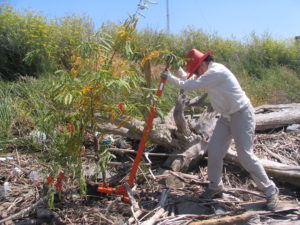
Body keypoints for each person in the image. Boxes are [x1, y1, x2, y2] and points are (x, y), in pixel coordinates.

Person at [161, 48, 279, 210]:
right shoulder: (207, 73)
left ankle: (270, 190)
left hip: (242, 114)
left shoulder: (216, 72)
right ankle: (215, 186)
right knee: (215, 151)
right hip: (226, 117)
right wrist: (178, 69)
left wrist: (169, 78)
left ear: (203, 63)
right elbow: (192, 79)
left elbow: (190, 85)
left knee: (245, 154)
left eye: (197, 69)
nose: (197, 72)